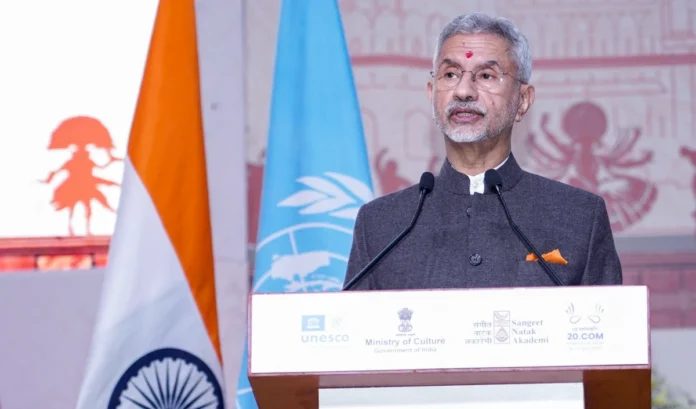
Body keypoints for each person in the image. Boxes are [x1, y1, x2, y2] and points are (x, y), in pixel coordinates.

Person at [343, 12, 622, 290]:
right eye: (450, 74)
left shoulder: (578, 217)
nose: (463, 91)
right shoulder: (381, 224)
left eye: (486, 75)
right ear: (432, 93)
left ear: (523, 100)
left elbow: (610, 318)